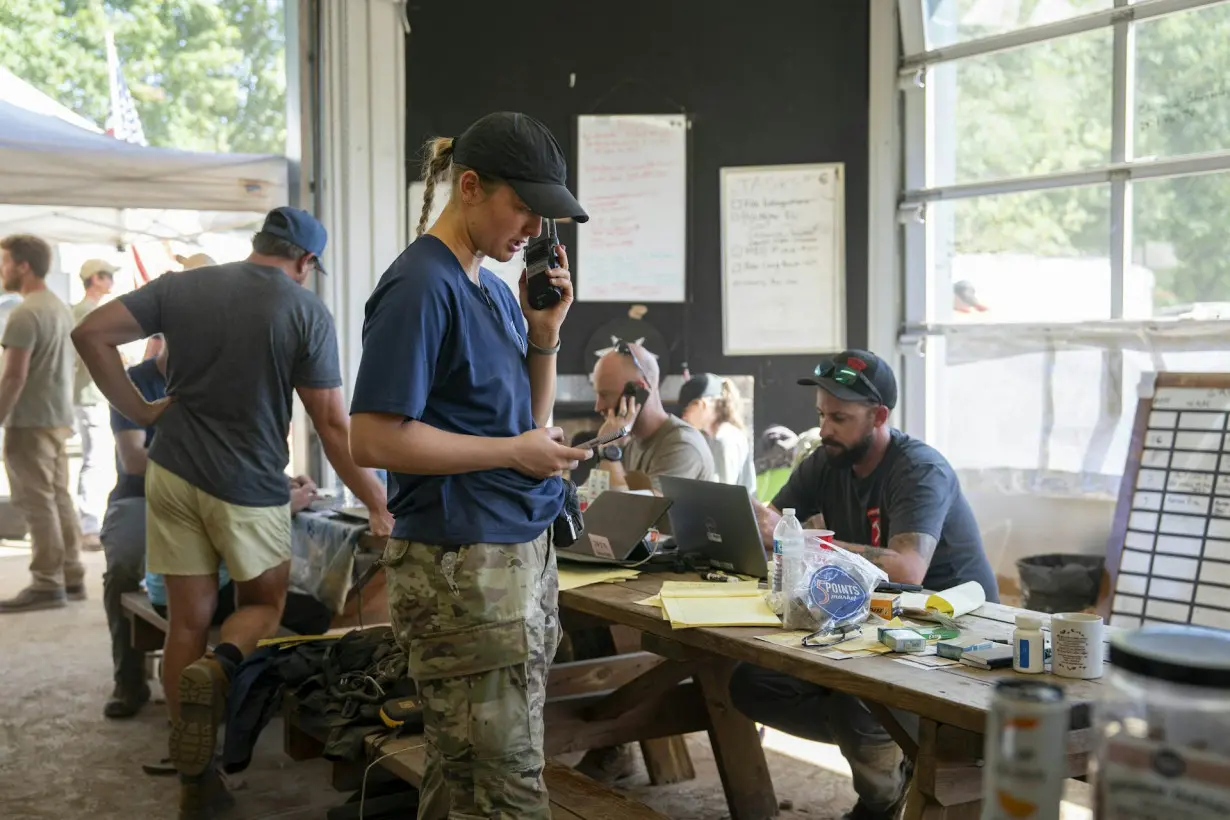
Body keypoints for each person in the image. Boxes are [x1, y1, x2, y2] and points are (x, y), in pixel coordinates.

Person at [72, 206, 393, 816]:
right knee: (263, 606)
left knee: (186, 624)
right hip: (248, 486)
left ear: (258, 244)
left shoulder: (180, 287)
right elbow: (330, 422)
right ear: (304, 262)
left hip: (172, 474)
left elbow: (89, 334)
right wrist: (378, 502)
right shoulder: (304, 310)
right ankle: (221, 670)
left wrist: (140, 411)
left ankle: (196, 778)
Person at [349, 111, 591, 819]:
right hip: (465, 564)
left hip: (509, 550)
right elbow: (373, 438)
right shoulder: (422, 285)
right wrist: (512, 452)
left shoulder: (485, 284)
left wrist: (544, 337)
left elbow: (524, 424)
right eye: (523, 207)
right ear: (472, 186)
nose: (531, 230)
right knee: (508, 791)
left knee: (464, 776)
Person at [732, 349, 998, 820]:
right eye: (821, 415)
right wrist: (751, 520)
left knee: (859, 697)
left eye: (840, 417)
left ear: (879, 417)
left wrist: (802, 542)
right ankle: (893, 750)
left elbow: (908, 569)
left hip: (954, 630)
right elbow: (776, 523)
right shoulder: (826, 460)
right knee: (753, 683)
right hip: (872, 622)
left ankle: (880, 798)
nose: (825, 428)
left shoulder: (919, 470)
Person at [98, 339, 322, 720]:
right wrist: (258, 491)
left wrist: (276, 482)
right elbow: (135, 460)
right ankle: (131, 680)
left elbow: (239, 453)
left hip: (201, 494)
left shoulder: (219, 384)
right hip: (143, 495)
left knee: (193, 606)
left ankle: (204, 703)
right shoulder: (137, 382)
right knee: (126, 567)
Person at [0, 234, 84, 613]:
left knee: (37, 503)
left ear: (23, 266)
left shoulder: (23, 313)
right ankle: (72, 573)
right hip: (57, 416)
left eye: (4, 262)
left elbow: (13, 376)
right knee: (59, 497)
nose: (1, 270)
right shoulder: (59, 307)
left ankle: (47, 583)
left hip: (29, 420)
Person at [590, 340, 715, 490]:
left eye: (605, 395)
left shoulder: (681, 446)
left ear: (638, 390)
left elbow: (628, 510)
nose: (598, 407)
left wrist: (608, 447)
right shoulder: (631, 443)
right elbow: (596, 501)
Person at [72, 258, 119, 549]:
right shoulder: (86, 313)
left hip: (93, 394)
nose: (111, 281)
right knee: (94, 461)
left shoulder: (87, 312)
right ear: (95, 278)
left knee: (96, 461)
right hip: (89, 396)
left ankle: (90, 524)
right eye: (108, 276)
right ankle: (89, 526)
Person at [679, 372, 755, 493]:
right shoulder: (711, 437)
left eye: (685, 411)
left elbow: (722, 494)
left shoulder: (724, 440)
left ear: (701, 405)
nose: (683, 418)